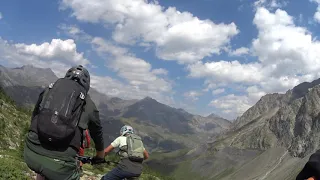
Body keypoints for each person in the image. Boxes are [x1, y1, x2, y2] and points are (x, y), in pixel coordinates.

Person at [23, 65, 105, 180]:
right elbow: (97, 133)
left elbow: (35, 115)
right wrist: (100, 155)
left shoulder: (49, 90)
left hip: (29, 154)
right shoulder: (89, 104)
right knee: (59, 170)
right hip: (60, 166)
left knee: (43, 167)